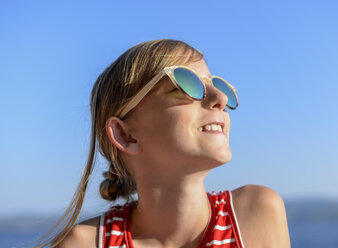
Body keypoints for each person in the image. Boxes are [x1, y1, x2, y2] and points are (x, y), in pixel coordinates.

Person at [37, 39, 291, 248]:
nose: (220, 98)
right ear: (126, 135)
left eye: (216, 84)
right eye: (186, 84)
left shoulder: (256, 213)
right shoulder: (84, 244)